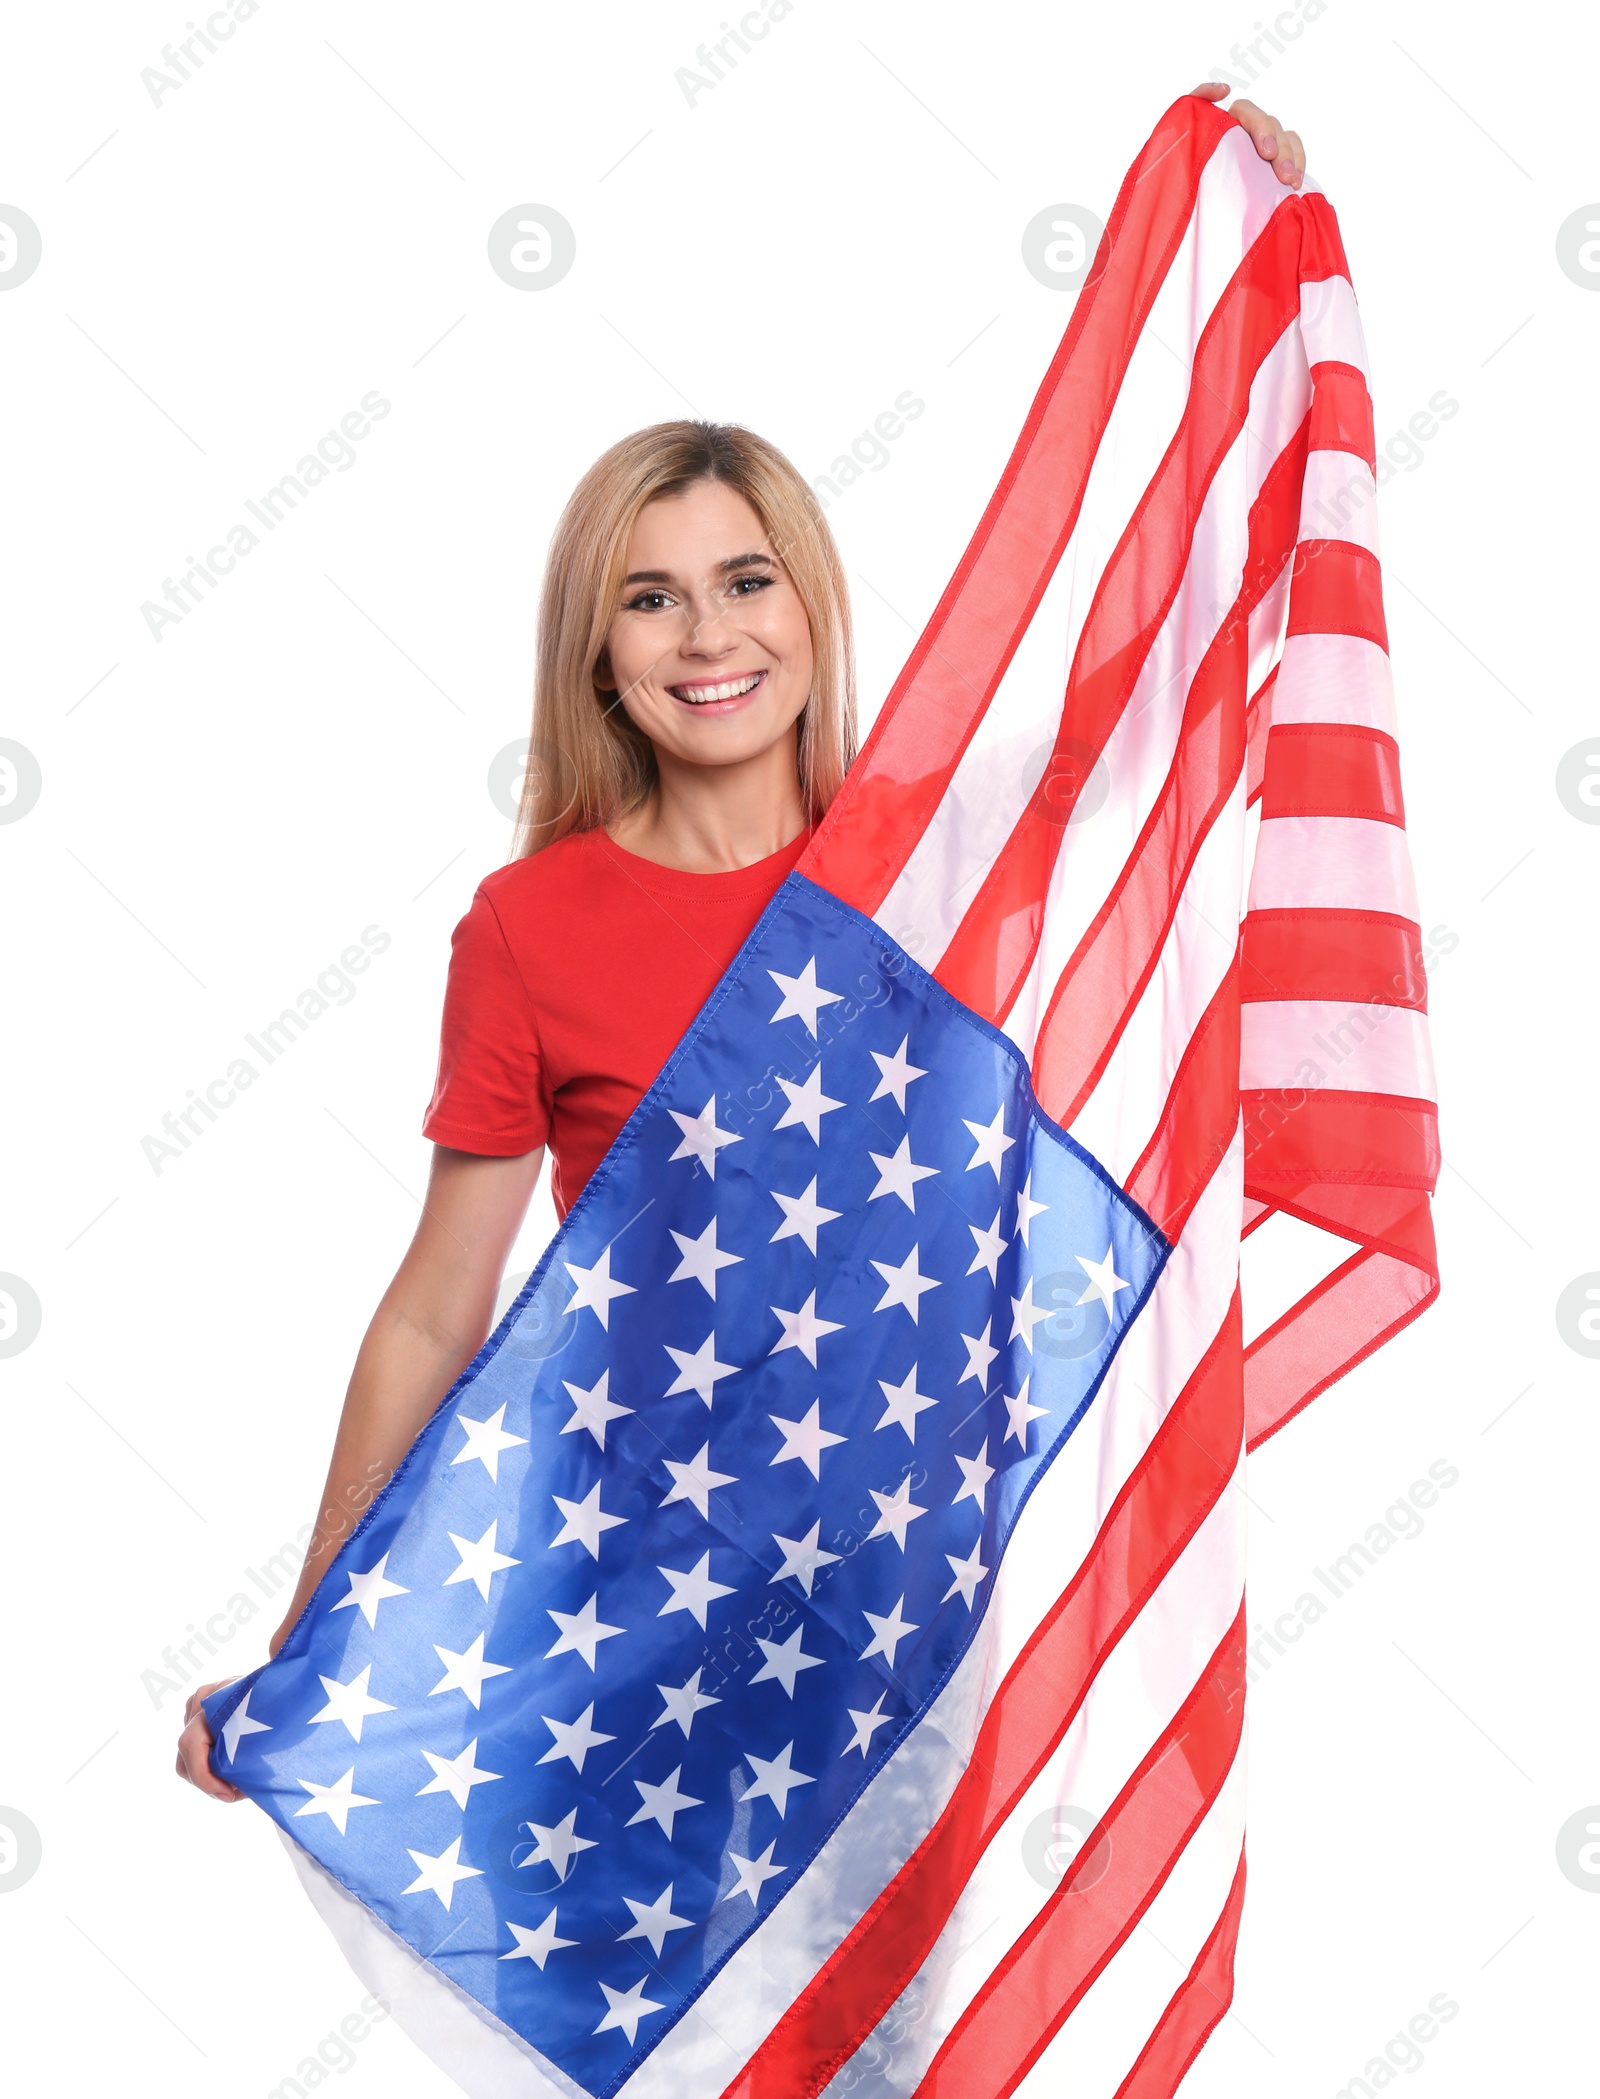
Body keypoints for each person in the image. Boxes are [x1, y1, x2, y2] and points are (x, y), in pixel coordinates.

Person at [176, 86, 1307, 1801]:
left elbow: (1164, 672)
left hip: (916, 1607)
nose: (708, 635)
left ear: (810, 607)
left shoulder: (929, 861)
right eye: (651, 596)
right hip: (617, 1609)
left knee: (909, 2068)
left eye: (748, 581)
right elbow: (434, 1312)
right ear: (599, 649)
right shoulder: (528, 927)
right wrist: (312, 1639)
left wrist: (1249, 282)